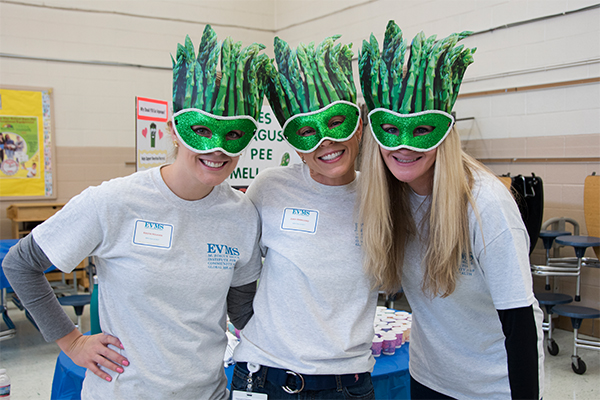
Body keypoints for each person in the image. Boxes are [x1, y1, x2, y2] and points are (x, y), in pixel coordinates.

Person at [3, 25, 268, 400]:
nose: (218, 148)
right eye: (200, 131)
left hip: (208, 394)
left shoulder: (241, 214)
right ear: (173, 130)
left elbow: (242, 311)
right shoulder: (114, 201)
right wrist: (72, 341)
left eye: (234, 135)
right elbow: (20, 264)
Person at [357, 21, 544, 400]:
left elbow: (520, 321)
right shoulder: (388, 196)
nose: (404, 145)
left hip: (494, 388)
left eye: (422, 128)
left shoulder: (486, 205)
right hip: (429, 379)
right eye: (391, 129)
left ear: (445, 132)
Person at [230, 35, 378, 399]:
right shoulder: (268, 187)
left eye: (337, 123)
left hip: (348, 382)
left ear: (358, 125)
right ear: (293, 141)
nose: (323, 142)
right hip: (263, 377)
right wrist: (271, 338)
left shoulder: (380, 196)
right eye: (307, 132)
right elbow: (240, 274)